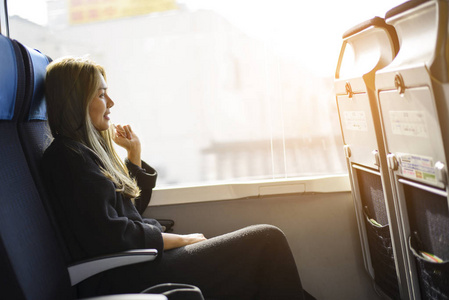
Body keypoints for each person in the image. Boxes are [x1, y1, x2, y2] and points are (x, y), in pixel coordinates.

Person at [42, 56, 311, 300]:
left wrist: (134, 155)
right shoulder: (68, 159)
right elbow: (115, 235)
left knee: (269, 267)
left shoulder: (81, 152)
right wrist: (183, 239)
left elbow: (123, 215)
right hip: (124, 274)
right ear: (77, 102)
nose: (110, 103)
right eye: (101, 95)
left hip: (136, 263)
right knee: (266, 240)